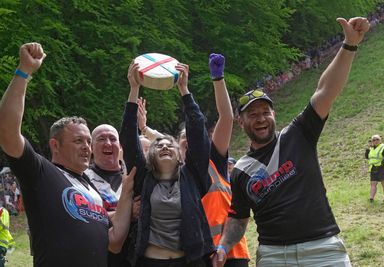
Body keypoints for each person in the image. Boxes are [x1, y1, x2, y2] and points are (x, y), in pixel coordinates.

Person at [213, 17, 370, 267]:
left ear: (274, 115)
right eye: (252, 114)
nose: (261, 118)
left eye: (265, 112)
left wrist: (349, 46)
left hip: (324, 250)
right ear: (241, 123)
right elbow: (238, 218)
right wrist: (223, 245)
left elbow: (325, 90)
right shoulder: (240, 170)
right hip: (275, 257)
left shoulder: (298, 134)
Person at [0, 42, 135, 267]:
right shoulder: (41, 172)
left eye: (88, 141)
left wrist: (127, 191)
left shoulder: (92, 189)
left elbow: (115, 241)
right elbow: (6, 132)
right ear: (55, 146)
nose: (86, 147)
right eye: (78, 141)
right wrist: (24, 72)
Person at [136, 54, 250, 266]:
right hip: (197, 256)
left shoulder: (214, 160)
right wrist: (144, 129)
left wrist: (218, 79)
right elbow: (163, 142)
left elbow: (226, 116)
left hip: (232, 252)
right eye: (182, 139)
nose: (188, 141)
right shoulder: (175, 178)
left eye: (192, 138)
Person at [121, 60, 214, 266]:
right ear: (150, 155)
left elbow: (198, 132)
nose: (164, 146)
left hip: (189, 261)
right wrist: (134, 89)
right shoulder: (143, 178)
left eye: (170, 144)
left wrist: (184, 90)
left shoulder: (192, 175)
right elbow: (128, 137)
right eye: (159, 145)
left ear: (180, 156)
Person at [85, 123, 141, 267]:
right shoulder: (82, 179)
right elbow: (86, 217)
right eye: (101, 139)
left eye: (112, 138)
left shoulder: (135, 175)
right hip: (101, 256)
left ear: (120, 145)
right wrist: (128, 212)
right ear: (91, 147)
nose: (108, 143)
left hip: (135, 257)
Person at [365, 134, 384, 202]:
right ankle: (371, 198)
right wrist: (368, 148)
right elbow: (367, 157)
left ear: (380, 140)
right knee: (373, 183)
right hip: (373, 168)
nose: (375, 141)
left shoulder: (382, 147)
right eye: (374, 140)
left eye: (377, 139)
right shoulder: (371, 148)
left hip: (382, 167)